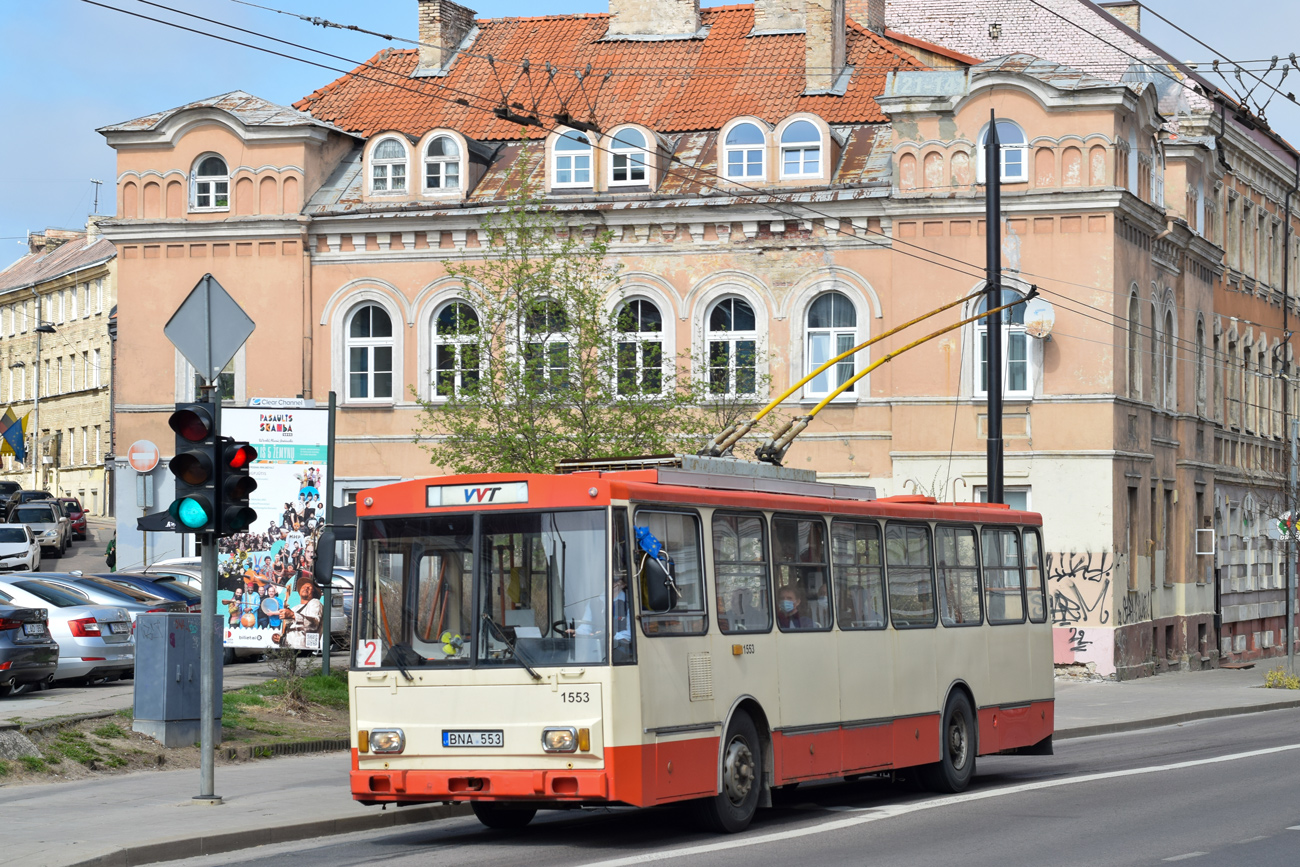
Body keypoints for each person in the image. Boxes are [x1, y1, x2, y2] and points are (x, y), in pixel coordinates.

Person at [281, 578, 323, 650]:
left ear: (313, 593)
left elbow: (314, 624)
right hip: (289, 648)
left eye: (309, 588)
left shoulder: (314, 602)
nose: (305, 588)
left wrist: (293, 615)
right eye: (303, 587)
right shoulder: (295, 608)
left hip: (305, 649)